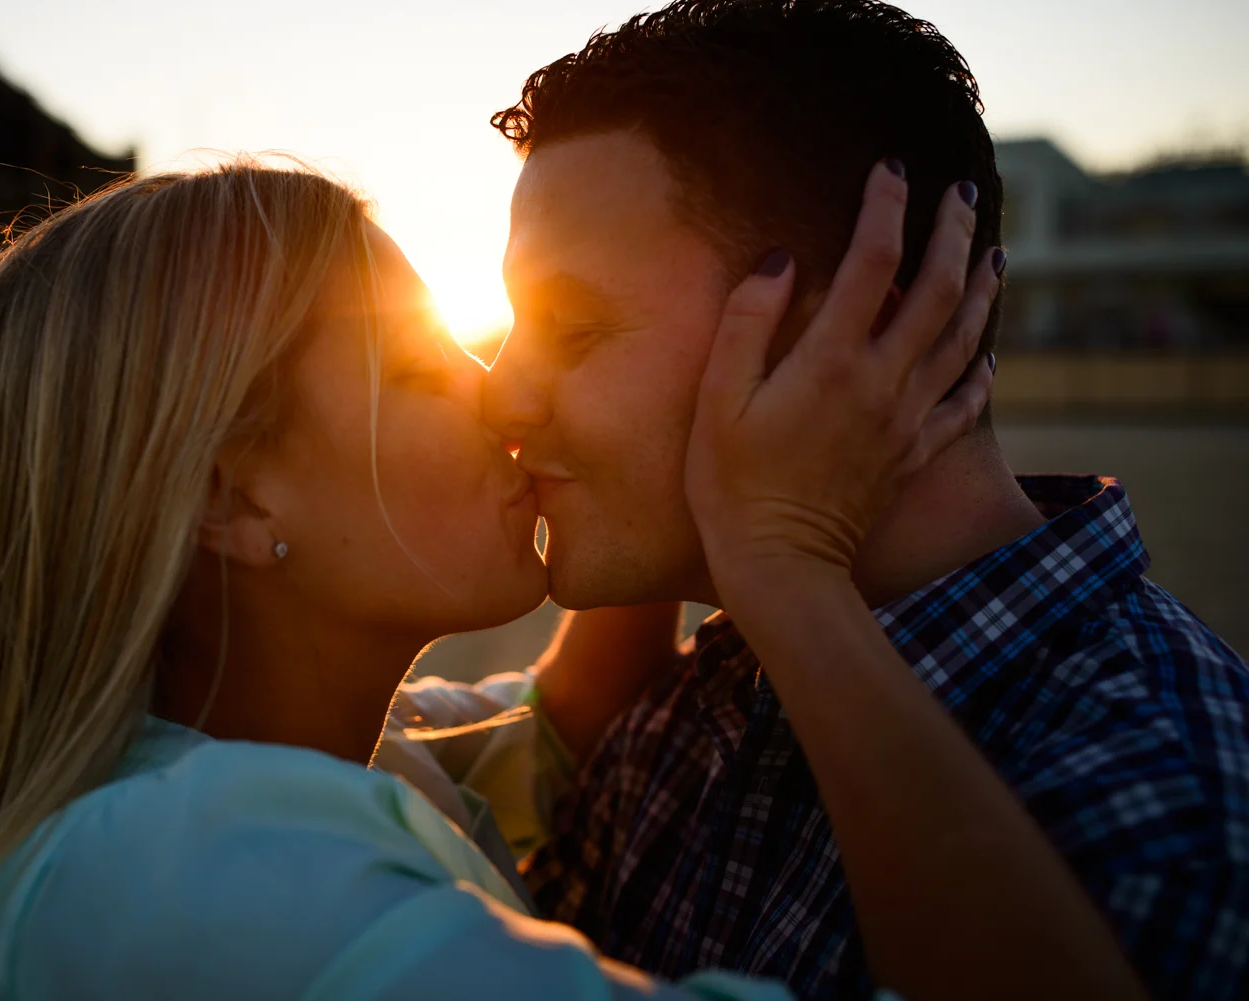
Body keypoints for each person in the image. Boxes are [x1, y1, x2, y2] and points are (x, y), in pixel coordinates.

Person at [0, 155, 1142, 1000]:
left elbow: (566, 725)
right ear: (233, 497)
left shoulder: (282, 778)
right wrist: (782, 556)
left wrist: (659, 442)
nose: (500, 397)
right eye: (419, 368)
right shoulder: (227, 887)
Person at [479, 2, 1249, 1000]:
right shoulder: (686, 715)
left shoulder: (1163, 828)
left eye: (574, 328)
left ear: (851, 335)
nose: (497, 395)